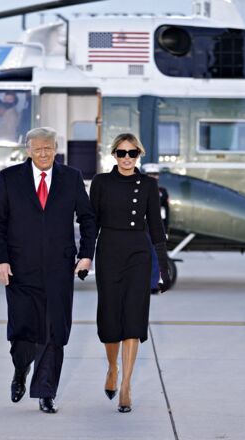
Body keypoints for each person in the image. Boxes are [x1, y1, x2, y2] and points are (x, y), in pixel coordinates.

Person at [0, 127, 96, 414]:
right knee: (24, 330)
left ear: (56, 148)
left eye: (48, 148)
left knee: (53, 331)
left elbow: (87, 219)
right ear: (28, 151)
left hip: (59, 270)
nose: (44, 153)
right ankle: (20, 369)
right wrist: (0, 260)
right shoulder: (10, 178)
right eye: (38, 149)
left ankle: (45, 392)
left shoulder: (71, 178)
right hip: (20, 270)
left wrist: (86, 255)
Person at [89, 133, 170, 413]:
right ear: (113, 154)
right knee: (110, 315)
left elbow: (156, 226)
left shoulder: (148, 185)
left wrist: (163, 263)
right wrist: (85, 256)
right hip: (109, 250)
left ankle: (126, 385)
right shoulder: (101, 182)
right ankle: (112, 368)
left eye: (132, 153)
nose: (126, 158)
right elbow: (92, 223)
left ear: (139, 155)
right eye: (121, 153)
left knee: (134, 317)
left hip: (138, 252)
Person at [143, 163, 170, 293]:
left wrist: (166, 229)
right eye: (150, 175)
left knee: (155, 256)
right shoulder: (141, 190)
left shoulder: (162, 192)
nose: (153, 177)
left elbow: (166, 212)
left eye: (155, 174)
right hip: (143, 227)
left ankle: (153, 285)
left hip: (156, 228)